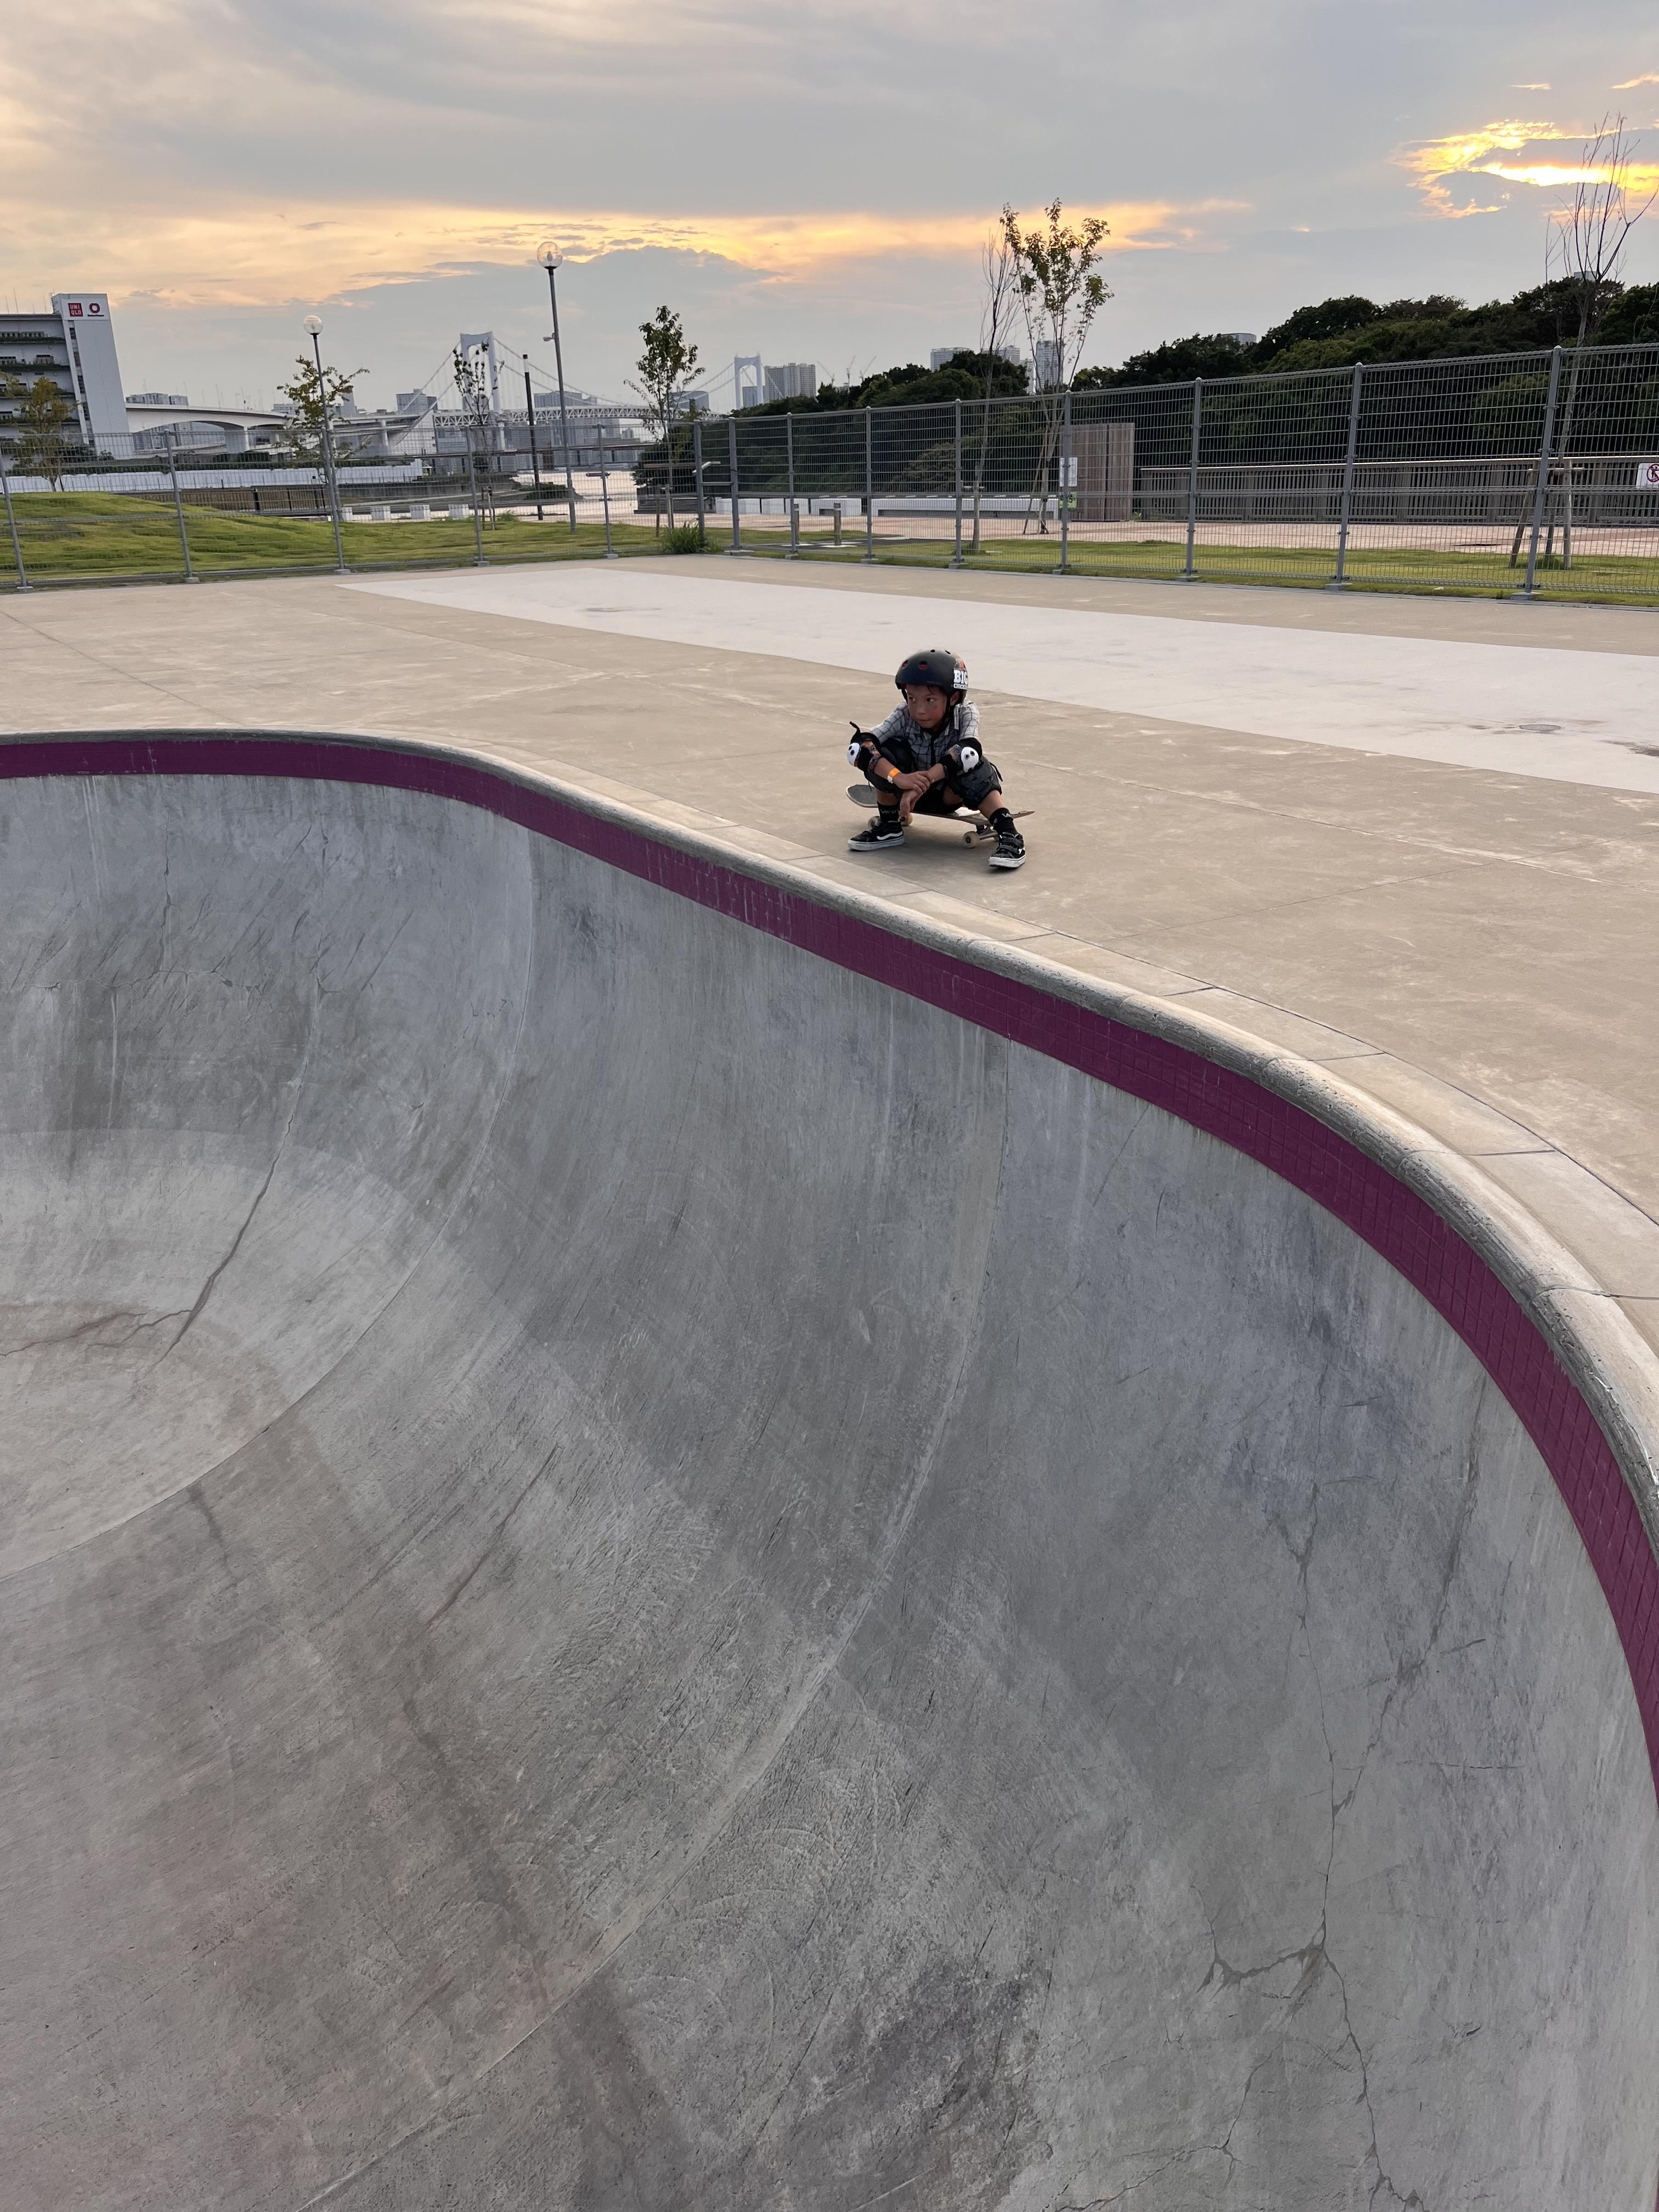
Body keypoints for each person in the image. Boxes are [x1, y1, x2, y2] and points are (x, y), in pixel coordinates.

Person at [846, 648, 1026, 871]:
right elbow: (859, 749)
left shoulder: (965, 712)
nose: (919, 710)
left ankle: (1010, 834)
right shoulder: (903, 714)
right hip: (905, 793)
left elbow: (969, 750)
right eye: (912, 699)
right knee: (884, 751)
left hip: (949, 794)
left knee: (974, 762)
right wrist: (899, 778)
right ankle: (889, 826)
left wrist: (925, 781)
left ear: (953, 697)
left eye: (930, 700)